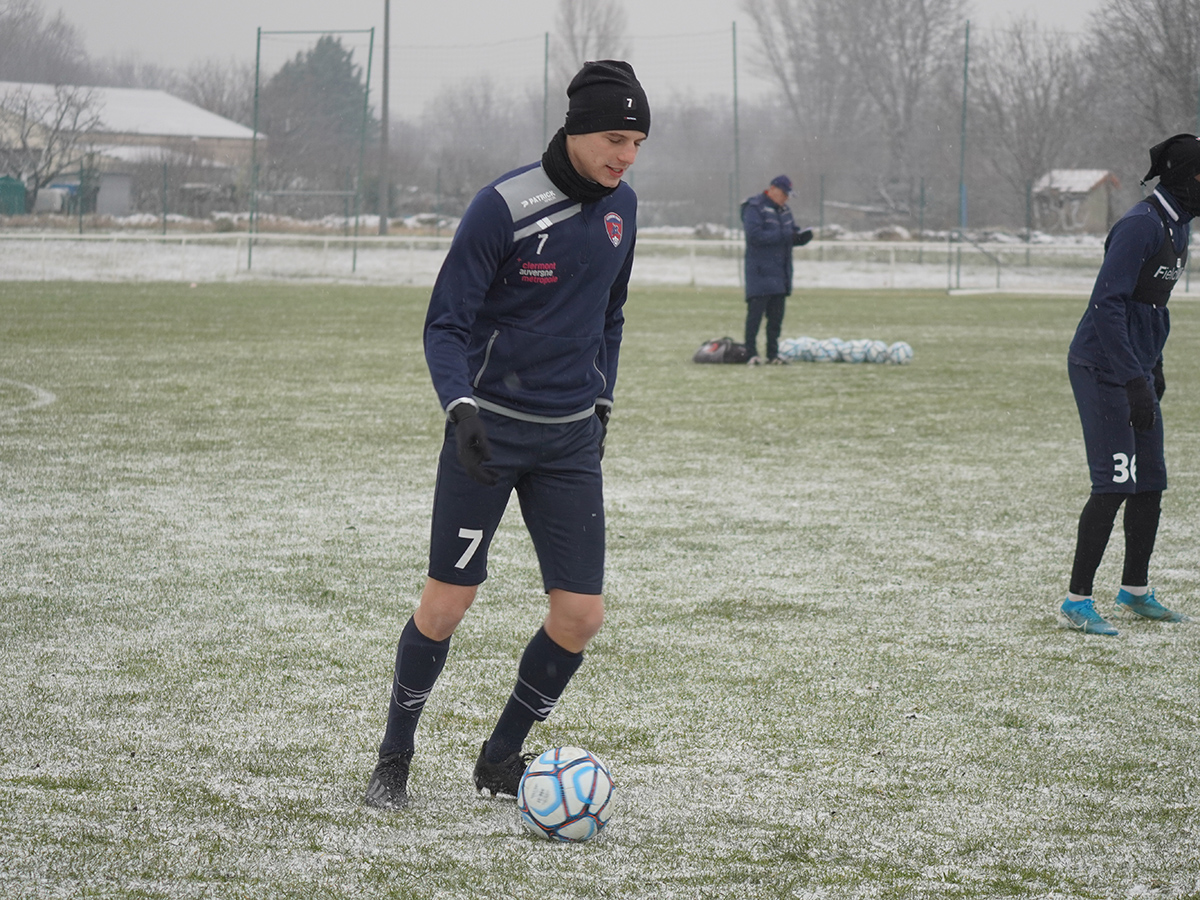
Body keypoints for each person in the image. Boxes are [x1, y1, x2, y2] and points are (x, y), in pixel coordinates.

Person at [363, 60, 649, 809]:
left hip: (568, 442)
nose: (626, 155)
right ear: (580, 130)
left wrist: (603, 405)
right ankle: (394, 758)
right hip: (485, 438)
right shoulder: (503, 206)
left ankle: (500, 758)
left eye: (638, 143)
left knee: (582, 615)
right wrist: (459, 407)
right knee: (447, 603)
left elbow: (610, 319)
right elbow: (447, 323)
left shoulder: (626, 212)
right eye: (616, 138)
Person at [1058, 134, 1198, 635]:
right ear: (1184, 179)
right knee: (1115, 481)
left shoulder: (1178, 226)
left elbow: (1150, 308)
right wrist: (1133, 377)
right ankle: (1077, 601)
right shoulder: (1140, 225)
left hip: (1137, 367)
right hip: (1101, 367)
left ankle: (1135, 590)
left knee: (1151, 481)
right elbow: (1108, 304)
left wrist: (1152, 366)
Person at [741, 174, 813, 365]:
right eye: (784, 194)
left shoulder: (784, 211)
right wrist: (785, 235)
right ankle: (751, 353)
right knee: (755, 317)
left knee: (776, 319)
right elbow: (755, 236)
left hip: (780, 273)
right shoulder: (754, 208)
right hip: (760, 273)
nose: (786, 198)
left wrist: (799, 238)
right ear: (772, 189)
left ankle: (773, 354)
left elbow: (788, 235)